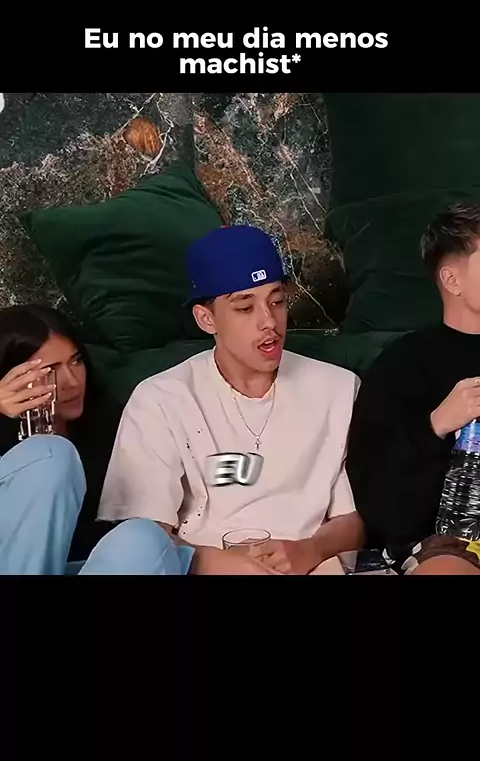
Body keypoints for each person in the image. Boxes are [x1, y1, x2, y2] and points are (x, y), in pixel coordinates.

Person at [95, 224, 365, 575]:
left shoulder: (338, 389)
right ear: (206, 319)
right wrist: (217, 563)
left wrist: (310, 550)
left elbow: (354, 520)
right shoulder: (160, 400)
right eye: (245, 308)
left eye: (277, 301)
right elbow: (141, 540)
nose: (269, 322)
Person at [346, 201, 480, 570]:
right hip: (449, 544)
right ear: (452, 280)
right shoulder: (401, 366)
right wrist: (437, 424)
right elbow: (380, 505)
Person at [0, 304, 122, 573]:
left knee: (144, 538)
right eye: (50, 371)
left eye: (76, 361)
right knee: (51, 454)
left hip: (86, 563)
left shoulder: (111, 420)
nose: (72, 381)